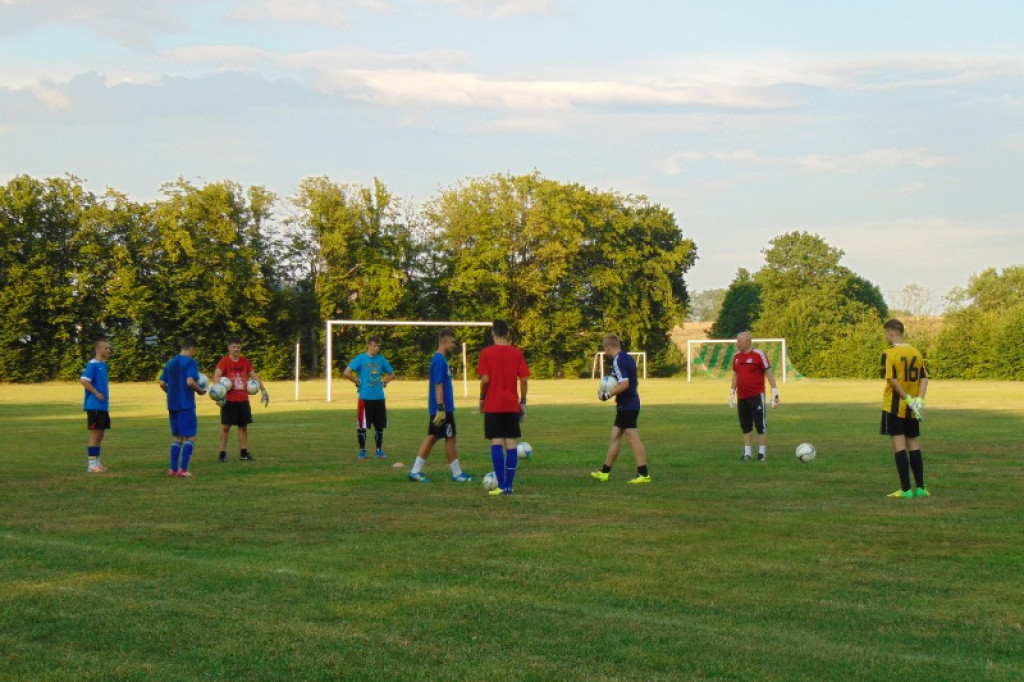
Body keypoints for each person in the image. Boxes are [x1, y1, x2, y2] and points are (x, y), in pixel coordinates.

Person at [408, 328, 474, 483]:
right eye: (452, 342)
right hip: (442, 408)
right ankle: (456, 474)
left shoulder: (442, 359)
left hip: (442, 407)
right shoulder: (439, 360)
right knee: (446, 438)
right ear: (444, 341)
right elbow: (438, 386)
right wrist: (441, 408)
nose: (454, 345)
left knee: (437, 437)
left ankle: (416, 471)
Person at [477, 319, 530, 496]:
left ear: (493, 333)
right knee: (511, 443)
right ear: (507, 334)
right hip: (511, 404)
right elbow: (523, 379)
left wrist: (482, 398)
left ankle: (500, 485)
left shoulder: (486, 353)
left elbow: (485, 379)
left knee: (496, 442)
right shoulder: (516, 353)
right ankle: (509, 485)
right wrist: (523, 401)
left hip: (493, 404)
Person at [590, 333, 650, 484]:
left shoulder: (618, 360)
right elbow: (635, 383)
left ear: (608, 347)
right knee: (615, 435)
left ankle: (643, 474)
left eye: (604, 348)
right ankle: (604, 472)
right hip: (629, 403)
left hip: (628, 405)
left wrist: (607, 394)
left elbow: (625, 384)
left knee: (632, 437)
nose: (604, 351)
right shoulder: (627, 358)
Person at [880, 319, 930, 498]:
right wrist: (919, 401)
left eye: (886, 334)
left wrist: (907, 399)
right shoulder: (916, 352)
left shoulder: (889, 353)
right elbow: (924, 378)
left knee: (899, 446)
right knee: (914, 445)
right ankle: (922, 488)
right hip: (912, 409)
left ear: (892, 333)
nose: (886, 337)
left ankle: (906, 490)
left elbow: (892, 381)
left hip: (895, 407)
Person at [212, 335, 269, 462]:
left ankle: (244, 453)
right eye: (234, 347)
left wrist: (263, 389)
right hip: (229, 400)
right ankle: (222, 454)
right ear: (229, 348)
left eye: (238, 347)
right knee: (226, 427)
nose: (236, 349)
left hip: (243, 399)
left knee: (243, 426)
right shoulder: (224, 361)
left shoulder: (245, 362)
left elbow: (254, 375)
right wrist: (218, 390)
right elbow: (217, 375)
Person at [729, 331, 780, 461]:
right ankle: (747, 453)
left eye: (740, 340)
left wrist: (774, 390)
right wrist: (732, 392)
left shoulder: (759, 355)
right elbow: (736, 375)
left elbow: (768, 372)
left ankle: (762, 453)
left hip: (756, 395)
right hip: (742, 397)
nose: (737, 343)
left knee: (760, 425)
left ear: (748, 341)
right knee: (745, 425)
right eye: (737, 340)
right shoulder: (736, 357)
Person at [159, 337, 206, 477]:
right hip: (186, 404)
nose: (194, 353)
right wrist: (200, 390)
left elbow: (162, 383)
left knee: (178, 438)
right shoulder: (191, 362)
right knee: (190, 437)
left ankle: (173, 469)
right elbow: (190, 381)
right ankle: (183, 469)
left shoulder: (170, 362)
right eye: (194, 351)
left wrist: (171, 392)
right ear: (191, 348)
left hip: (173, 404)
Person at [343, 336, 396, 460]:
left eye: (378, 346)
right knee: (362, 425)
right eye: (374, 346)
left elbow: (392, 374)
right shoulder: (361, 358)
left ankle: (379, 450)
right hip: (365, 397)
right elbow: (347, 372)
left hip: (378, 397)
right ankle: (362, 451)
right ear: (369, 346)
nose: (377, 348)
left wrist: (384, 382)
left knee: (379, 425)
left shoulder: (381, 360)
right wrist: (357, 381)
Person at [80, 338, 112, 473]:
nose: (109, 350)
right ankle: (91, 464)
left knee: (101, 435)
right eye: (106, 348)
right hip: (94, 405)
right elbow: (84, 380)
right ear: (98, 349)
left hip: (103, 406)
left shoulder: (103, 365)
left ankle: (97, 463)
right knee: (95, 434)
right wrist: (96, 393)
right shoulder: (93, 365)